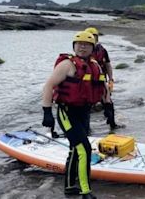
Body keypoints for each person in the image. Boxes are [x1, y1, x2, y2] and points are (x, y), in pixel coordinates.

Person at [42, 31, 105, 199]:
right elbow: (48, 86)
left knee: (75, 149)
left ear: (92, 48)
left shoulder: (95, 65)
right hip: (67, 112)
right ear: (74, 46)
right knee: (84, 149)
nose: (82, 47)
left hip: (84, 112)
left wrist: (107, 105)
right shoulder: (67, 65)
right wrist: (47, 112)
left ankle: (70, 187)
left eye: (86, 44)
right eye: (79, 44)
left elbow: (101, 87)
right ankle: (86, 191)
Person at [84, 27, 125, 131]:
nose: (92, 38)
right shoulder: (83, 51)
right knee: (86, 106)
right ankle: (86, 128)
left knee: (108, 103)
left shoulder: (102, 51)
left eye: (94, 36)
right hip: (86, 83)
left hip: (101, 81)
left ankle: (112, 124)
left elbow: (108, 65)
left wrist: (111, 79)